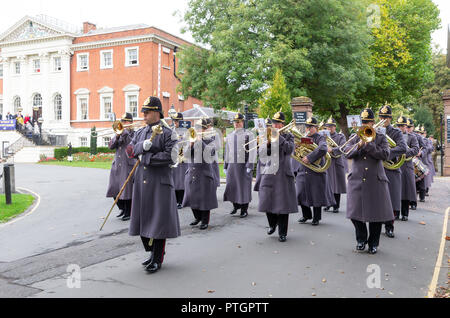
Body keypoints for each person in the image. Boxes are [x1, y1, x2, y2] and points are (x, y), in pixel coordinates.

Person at [126, 96, 180, 274]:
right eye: (143, 111)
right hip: (142, 183)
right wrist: (143, 146)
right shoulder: (141, 132)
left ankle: (157, 258)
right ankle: (152, 253)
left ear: (157, 112)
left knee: (158, 222)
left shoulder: (168, 132)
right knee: (143, 220)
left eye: (147, 112)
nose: (144, 115)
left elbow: (171, 156)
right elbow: (130, 150)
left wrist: (146, 157)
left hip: (159, 183)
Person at [344, 108, 393, 254]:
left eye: (367, 122)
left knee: (376, 215)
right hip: (357, 179)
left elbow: (385, 154)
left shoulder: (381, 137)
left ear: (373, 123)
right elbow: (346, 152)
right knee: (354, 212)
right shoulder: (355, 137)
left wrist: (369, 144)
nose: (365, 124)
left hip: (375, 180)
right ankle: (361, 239)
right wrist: (359, 145)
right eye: (363, 122)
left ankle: (373, 243)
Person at [258, 111, 298, 242]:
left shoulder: (289, 136)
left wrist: (278, 137)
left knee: (283, 205)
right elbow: (262, 153)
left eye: (278, 124)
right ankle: (272, 224)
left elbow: (289, 149)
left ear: (283, 124)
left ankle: (282, 233)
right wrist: (269, 143)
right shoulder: (267, 135)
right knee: (266, 199)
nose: (276, 126)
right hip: (269, 171)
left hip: (283, 173)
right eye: (274, 123)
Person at [294, 117, 334, 226]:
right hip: (303, 169)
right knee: (301, 193)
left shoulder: (320, 137)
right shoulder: (304, 137)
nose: (309, 129)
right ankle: (306, 215)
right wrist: (296, 146)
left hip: (316, 170)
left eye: (311, 127)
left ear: (316, 127)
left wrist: (309, 157)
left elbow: (322, 148)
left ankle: (316, 218)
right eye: (307, 127)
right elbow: (298, 151)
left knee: (316, 195)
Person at [182, 119, 218, 230]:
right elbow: (186, 155)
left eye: (200, 128)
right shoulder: (191, 139)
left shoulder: (210, 139)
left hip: (204, 173)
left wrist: (200, 141)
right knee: (191, 197)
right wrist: (192, 144)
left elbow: (210, 153)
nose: (198, 130)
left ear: (205, 129)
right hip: (192, 172)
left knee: (204, 199)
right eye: (196, 128)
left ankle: (204, 220)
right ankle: (197, 217)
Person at [378, 105, 407, 238]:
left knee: (392, 199)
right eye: (381, 117)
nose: (383, 120)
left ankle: (389, 226)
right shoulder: (375, 130)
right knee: (377, 199)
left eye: (386, 117)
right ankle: (376, 225)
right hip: (377, 168)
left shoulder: (396, 132)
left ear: (390, 118)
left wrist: (386, 153)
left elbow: (402, 148)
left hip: (392, 168)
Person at [223, 113, 256, 218]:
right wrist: (225, 165)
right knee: (231, 186)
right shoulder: (230, 135)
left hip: (243, 165)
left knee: (243, 187)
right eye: (235, 122)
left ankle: (244, 209)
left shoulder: (249, 134)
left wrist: (250, 165)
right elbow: (227, 152)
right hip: (232, 165)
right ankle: (235, 205)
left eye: (238, 122)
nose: (236, 124)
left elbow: (253, 151)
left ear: (242, 122)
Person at [106, 113, 136, 221]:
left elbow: (131, 145)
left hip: (127, 164)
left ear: (131, 122)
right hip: (117, 165)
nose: (123, 123)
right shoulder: (119, 132)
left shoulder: (133, 134)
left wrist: (124, 133)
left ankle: (128, 211)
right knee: (114, 188)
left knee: (127, 190)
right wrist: (117, 135)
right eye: (122, 121)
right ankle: (122, 208)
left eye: (126, 121)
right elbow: (111, 146)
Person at [324, 116, 347, 213]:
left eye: (331, 126)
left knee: (337, 184)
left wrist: (332, 150)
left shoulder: (340, 136)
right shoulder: (324, 137)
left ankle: (336, 205)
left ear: (335, 127)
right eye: (328, 127)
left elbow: (343, 147)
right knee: (328, 184)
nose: (329, 128)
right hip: (328, 162)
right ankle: (328, 204)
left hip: (337, 162)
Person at [399, 118, 419, 221]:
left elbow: (416, 149)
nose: (402, 128)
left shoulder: (412, 137)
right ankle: (395, 213)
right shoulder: (395, 135)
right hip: (396, 165)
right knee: (396, 190)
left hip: (406, 165)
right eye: (400, 125)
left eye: (404, 126)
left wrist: (403, 152)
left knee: (406, 190)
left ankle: (405, 213)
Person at [171, 112, 188, 209]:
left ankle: (181, 200)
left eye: (177, 121)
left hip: (182, 158)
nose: (175, 123)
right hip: (173, 157)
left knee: (181, 181)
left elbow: (188, 143)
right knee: (174, 180)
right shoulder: (172, 131)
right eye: (174, 121)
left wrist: (182, 154)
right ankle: (176, 200)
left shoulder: (186, 131)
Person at [253, 117, 272, 192]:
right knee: (261, 188)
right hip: (261, 164)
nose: (266, 128)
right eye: (265, 126)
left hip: (270, 165)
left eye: (268, 126)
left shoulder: (274, 137)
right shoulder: (260, 137)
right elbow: (258, 152)